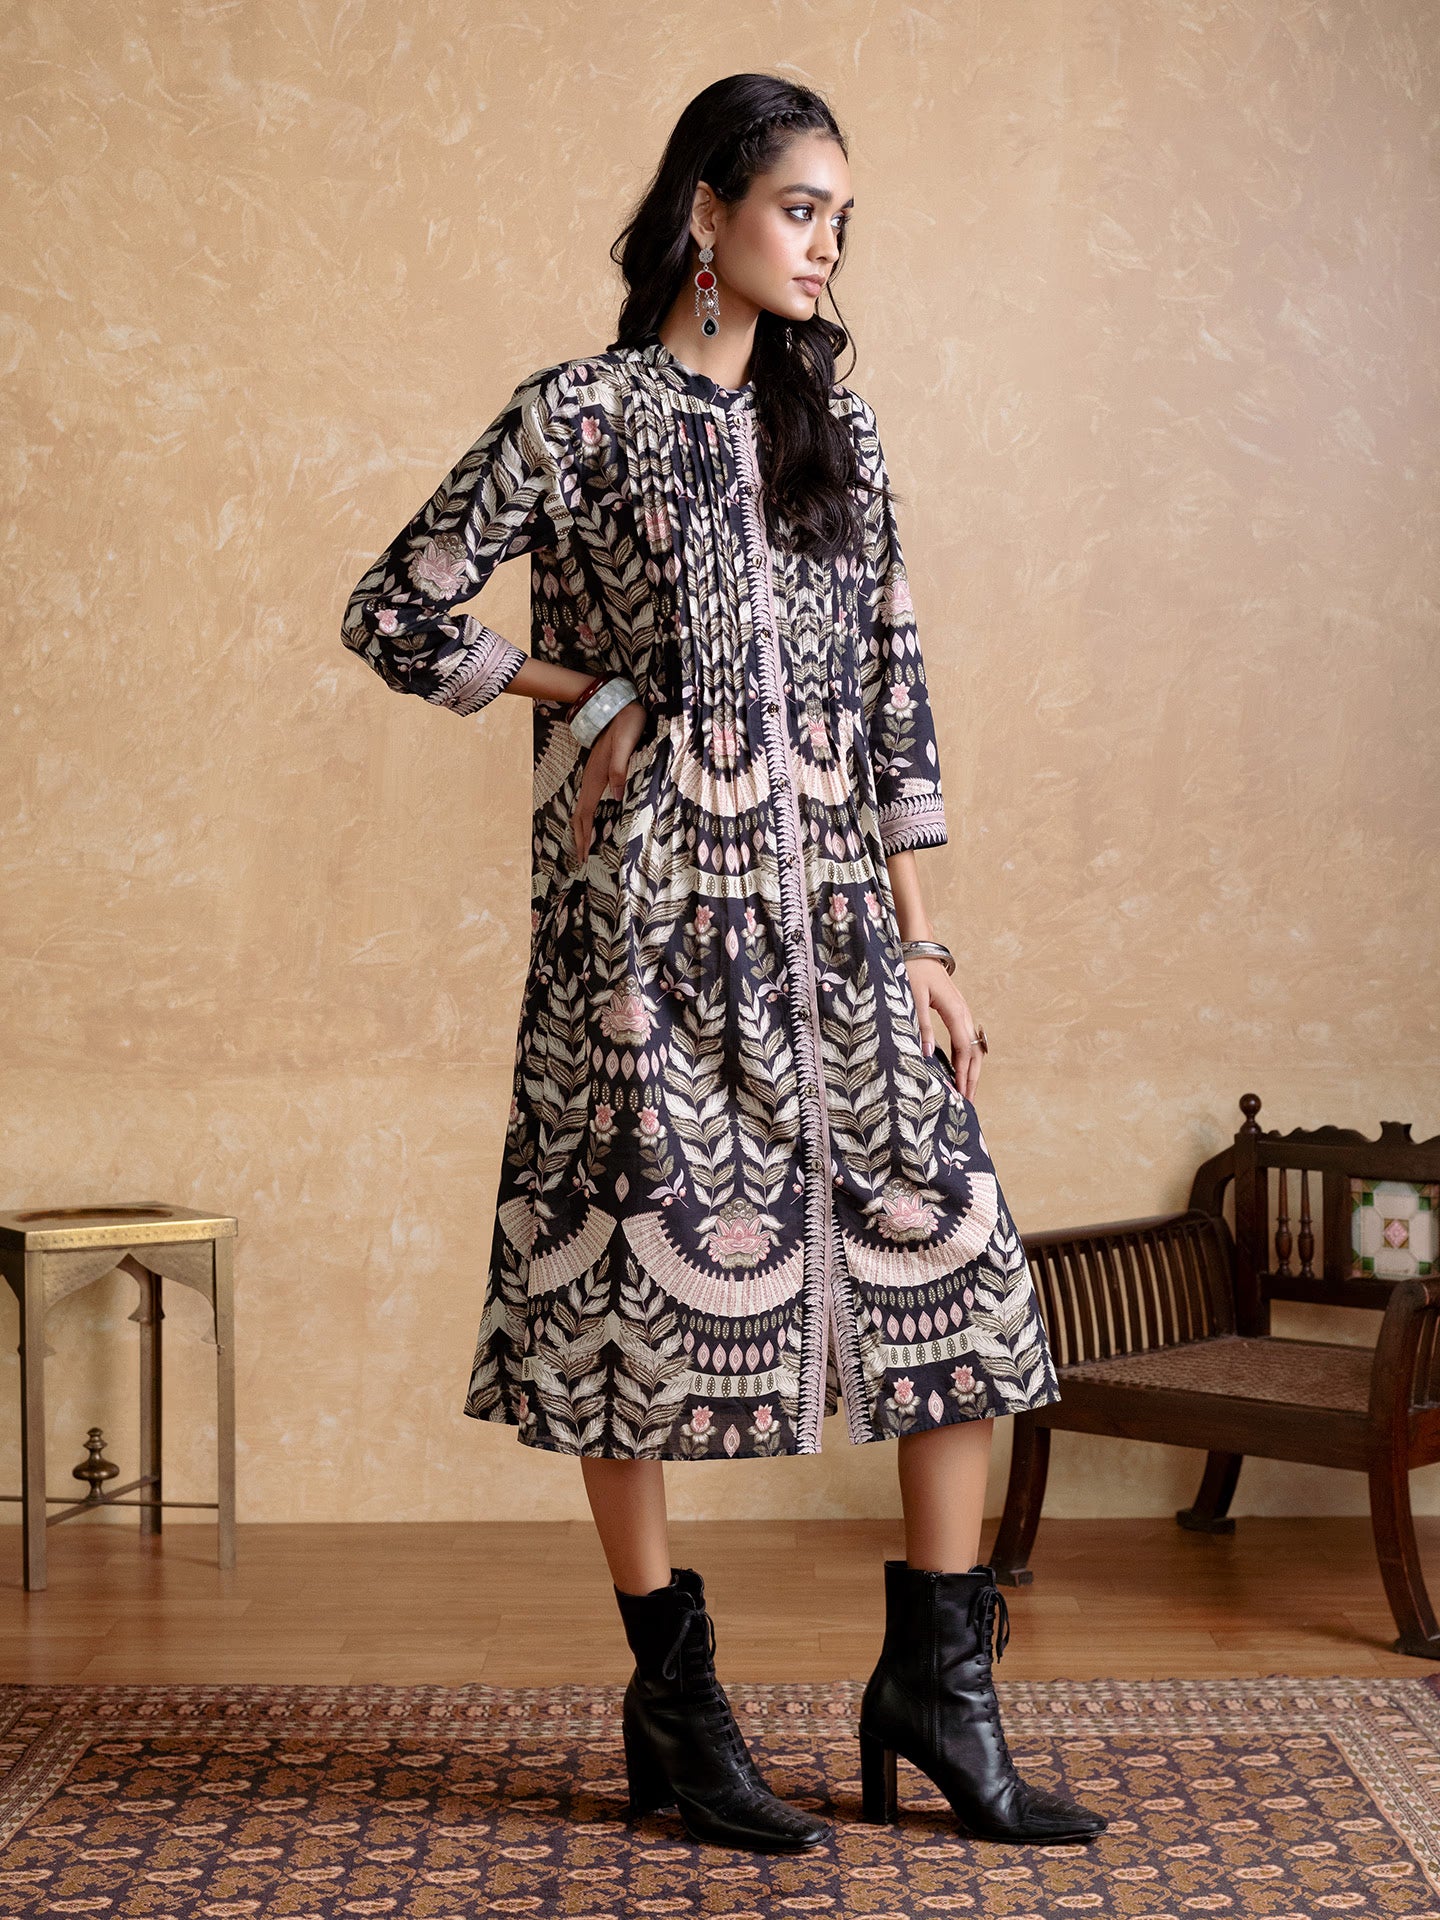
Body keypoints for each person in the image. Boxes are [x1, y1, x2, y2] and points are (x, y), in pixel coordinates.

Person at [341, 72, 1104, 1855]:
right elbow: (395, 608)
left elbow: (895, 692)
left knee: (960, 1275)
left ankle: (940, 1692)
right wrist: (582, 689)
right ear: (710, 212)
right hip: (648, 940)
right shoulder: (581, 416)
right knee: (628, 1302)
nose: (826, 244)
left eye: (842, 219)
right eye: (799, 209)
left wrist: (927, 940)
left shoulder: (839, 433)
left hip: (840, 934)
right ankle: (675, 1703)